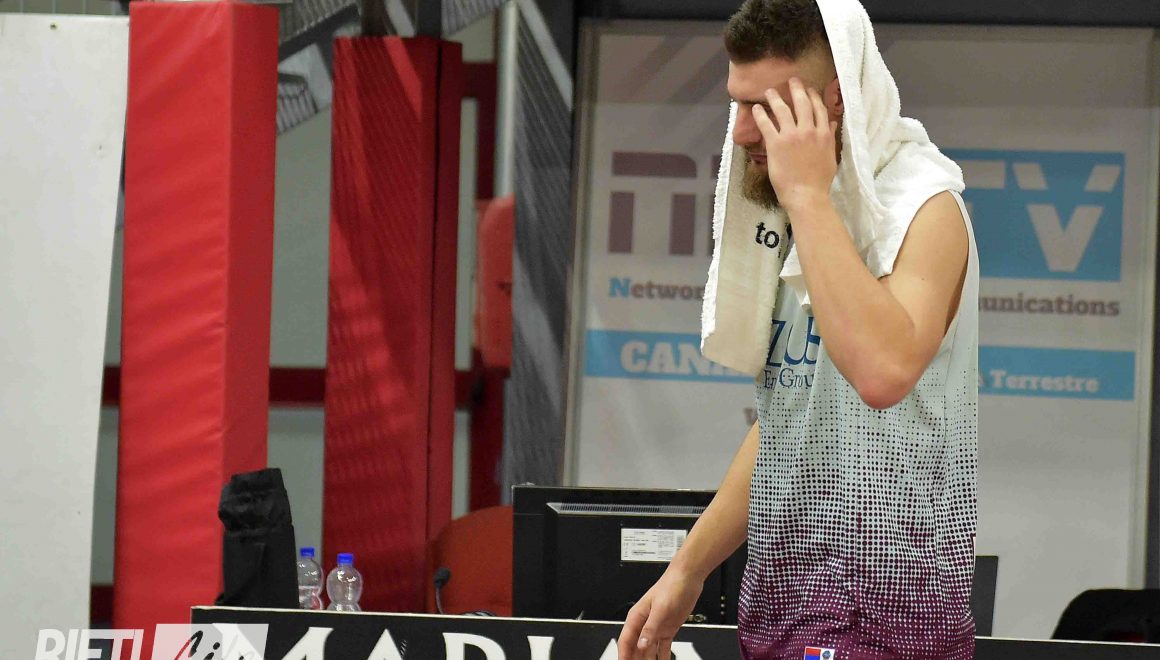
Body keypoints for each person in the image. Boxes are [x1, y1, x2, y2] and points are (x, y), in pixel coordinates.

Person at [617, 0, 978, 658]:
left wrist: (809, 197)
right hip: (781, 614)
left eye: (766, 108)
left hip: (887, 626)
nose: (741, 132)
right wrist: (686, 571)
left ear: (835, 99)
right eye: (738, 103)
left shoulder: (925, 210)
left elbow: (882, 374)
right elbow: (789, 423)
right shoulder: (800, 216)